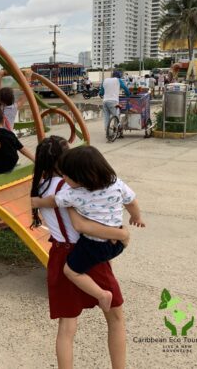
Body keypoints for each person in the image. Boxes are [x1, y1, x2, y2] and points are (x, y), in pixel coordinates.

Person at [30, 137, 130, 369]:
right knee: (115, 318)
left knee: (67, 326)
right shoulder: (71, 187)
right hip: (86, 253)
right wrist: (122, 234)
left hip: (58, 254)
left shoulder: (40, 186)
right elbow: (83, 225)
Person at [32, 146, 145, 314]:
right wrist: (136, 217)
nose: (64, 178)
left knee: (71, 272)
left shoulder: (75, 194)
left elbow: (53, 201)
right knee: (107, 263)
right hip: (118, 243)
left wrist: (37, 203)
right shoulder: (116, 182)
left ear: (80, 178)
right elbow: (131, 202)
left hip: (94, 245)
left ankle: (101, 295)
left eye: (66, 176)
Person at [99, 70, 130, 141]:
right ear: (119, 76)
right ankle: (116, 132)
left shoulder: (105, 80)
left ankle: (107, 132)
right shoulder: (118, 80)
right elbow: (125, 88)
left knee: (107, 117)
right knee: (116, 116)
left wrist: (102, 94)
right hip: (113, 101)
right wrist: (128, 94)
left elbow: (101, 92)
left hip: (105, 101)